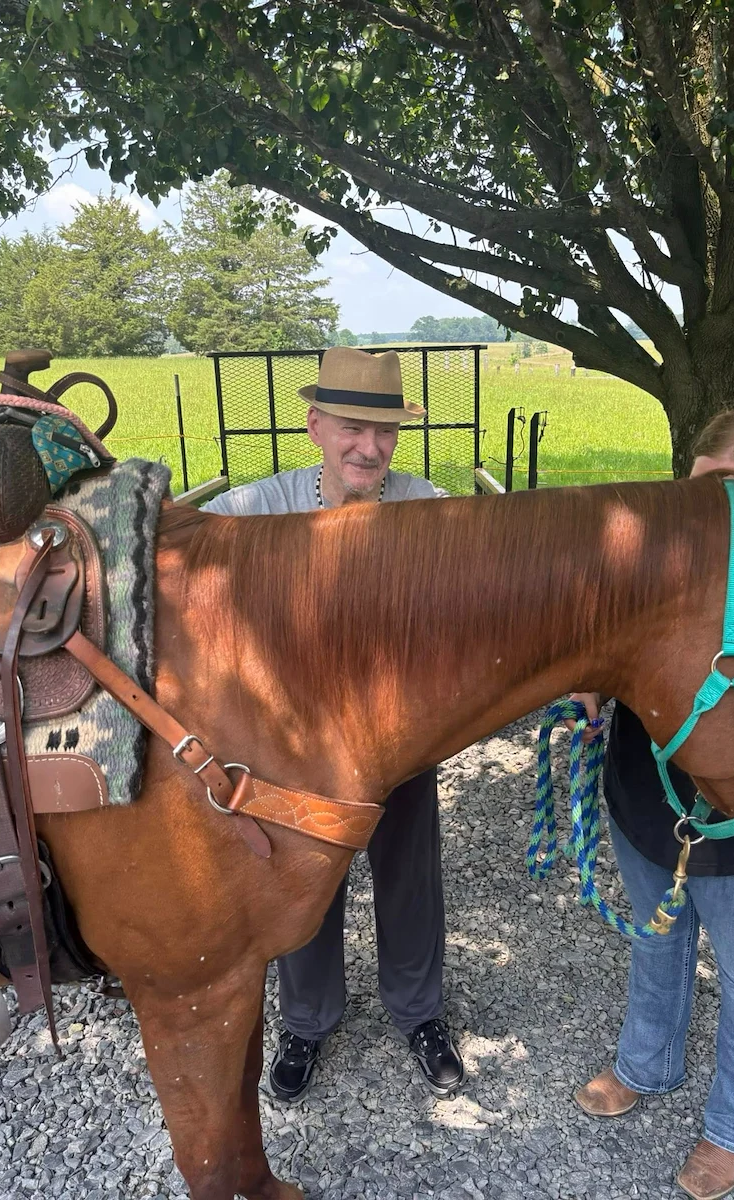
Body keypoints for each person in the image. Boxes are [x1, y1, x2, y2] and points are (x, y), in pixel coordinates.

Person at [202, 345, 465, 1102]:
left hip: (401, 743)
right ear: (316, 425)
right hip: (295, 750)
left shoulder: (432, 511)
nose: (369, 447)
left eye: (384, 433)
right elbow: (181, 558)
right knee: (304, 885)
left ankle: (419, 1013)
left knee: (411, 880)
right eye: (352, 427)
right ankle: (308, 1020)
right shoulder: (257, 511)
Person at [571, 408, 734, 1200]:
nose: (712, 516)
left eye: (732, 496)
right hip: (647, 795)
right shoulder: (655, 558)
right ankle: (647, 1063)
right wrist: (596, 676)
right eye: (702, 492)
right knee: (656, 940)